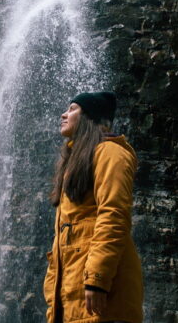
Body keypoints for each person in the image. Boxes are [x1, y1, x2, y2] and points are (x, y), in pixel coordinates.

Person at [43, 91, 143, 323]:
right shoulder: (78, 159)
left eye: (72, 109)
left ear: (90, 117)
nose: (63, 114)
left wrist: (97, 279)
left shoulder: (111, 153)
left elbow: (113, 217)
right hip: (73, 287)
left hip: (100, 290)